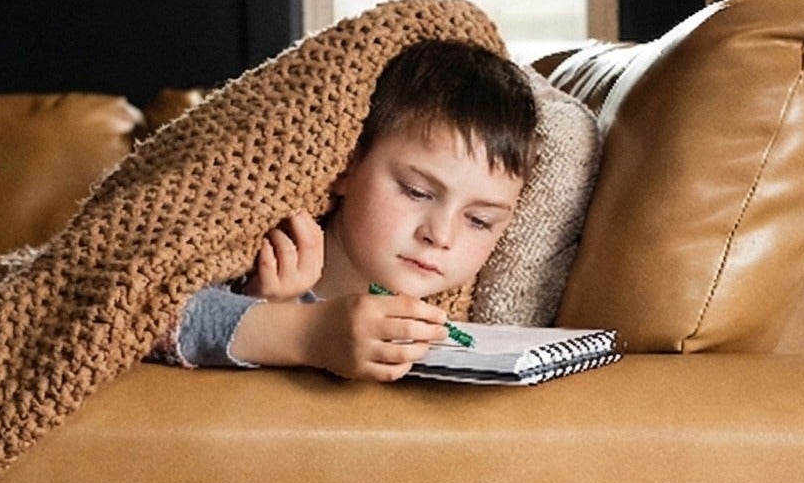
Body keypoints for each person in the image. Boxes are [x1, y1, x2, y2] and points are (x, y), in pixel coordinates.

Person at [155, 37, 537, 381]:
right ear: (348, 165)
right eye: (416, 192)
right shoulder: (264, 261)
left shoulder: (460, 329)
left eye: (478, 220)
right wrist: (294, 326)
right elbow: (145, 315)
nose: (440, 235)